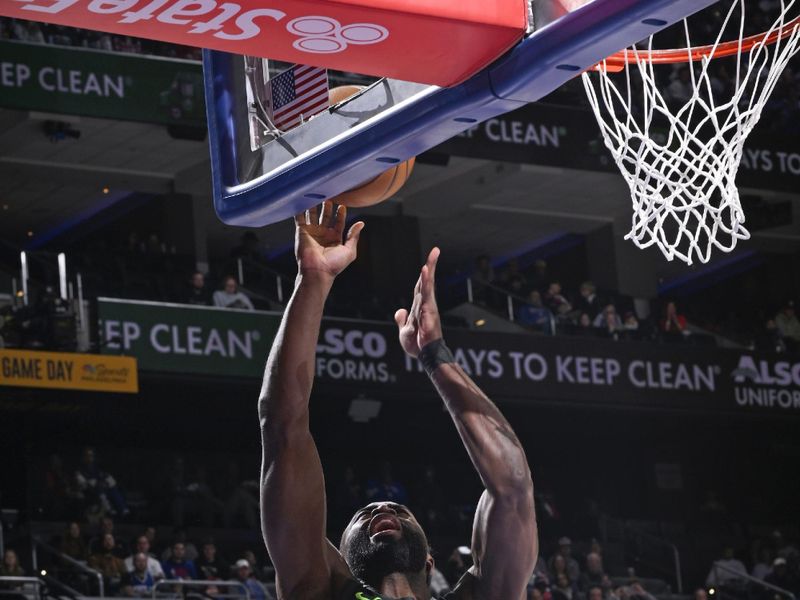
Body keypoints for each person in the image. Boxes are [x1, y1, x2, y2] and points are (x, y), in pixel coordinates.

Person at [258, 202, 537, 600]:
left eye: (399, 513)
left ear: (429, 561)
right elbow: (282, 426)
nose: (380, 510)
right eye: (361, 517)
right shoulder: (317, 589)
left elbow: (512, 486)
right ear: (340, 559)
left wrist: (435, 354)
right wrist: (313, 280)